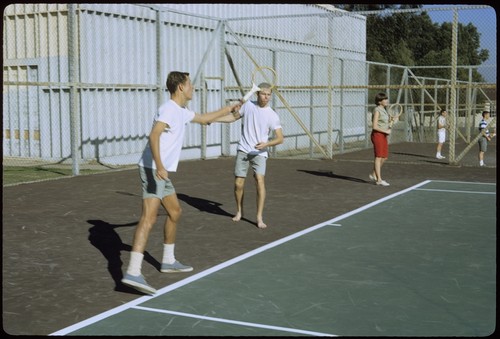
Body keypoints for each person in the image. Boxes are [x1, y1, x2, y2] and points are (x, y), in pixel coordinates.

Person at [121, 71, 241, 295]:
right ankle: (133, 271)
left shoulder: (181, 111)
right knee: (149, 217)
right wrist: (159, 165)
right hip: (153, 169)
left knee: (175, 212)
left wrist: (232, 113)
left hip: (160, 171)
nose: (193, 88)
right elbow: (154, 136)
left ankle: (167, 261)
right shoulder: (168, 109)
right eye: (190, 85)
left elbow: (205, 119)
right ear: (180, 88)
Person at [215, 82, 284, 229]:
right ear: (257, 94)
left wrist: (266, 144)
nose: (266, 97)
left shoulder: (272, 115)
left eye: (269, 95)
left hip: (259, 153)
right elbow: (232, 117)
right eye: (263, 94)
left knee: (259, 181)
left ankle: (259, 217)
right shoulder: (248, 106)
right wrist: (214, 119)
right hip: (243, 150)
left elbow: (280, 138)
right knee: (238, 184)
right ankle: (239, 211)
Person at [369, 92, 392, 186]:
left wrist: (390, 124)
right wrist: (385, 131)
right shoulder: (377, 110)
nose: (386, 101)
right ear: (379, 102)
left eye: (386, 99)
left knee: (384, 157)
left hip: (383, 135)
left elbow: (385, 124)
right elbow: (374, 126)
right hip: (377, 135)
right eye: (384, 99)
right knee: (378, 157)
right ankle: (379, 180)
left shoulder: (384, 110)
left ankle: (374, 173)